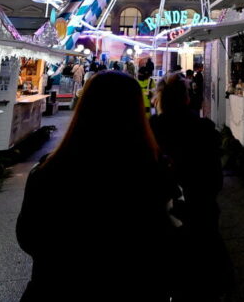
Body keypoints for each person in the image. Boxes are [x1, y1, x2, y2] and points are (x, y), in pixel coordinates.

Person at [17, 72, 176, 300]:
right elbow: (162, 239)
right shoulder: (152, 171)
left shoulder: (49, 171)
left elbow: (29, 236)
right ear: (135, 112)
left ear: (84, 107)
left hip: (57, 286)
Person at [150, 74, 230, 300]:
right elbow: (215, 180)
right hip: (201, 211)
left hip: (164, 217)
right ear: (186, 98)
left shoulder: (151, 129)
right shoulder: (203, 128)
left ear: (159, 99)